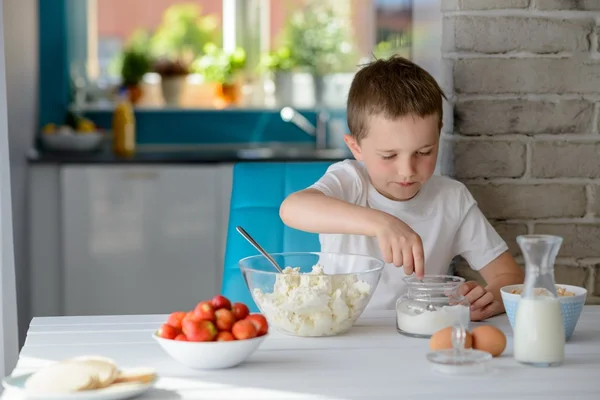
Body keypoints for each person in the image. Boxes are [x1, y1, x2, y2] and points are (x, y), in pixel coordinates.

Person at [279, 56, 524, 321]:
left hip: (418, 335)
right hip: (342, 331)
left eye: (424, 151)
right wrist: (383, 224)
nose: (407, 170)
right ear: (356, 148)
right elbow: (291, 209)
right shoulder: (350, 181)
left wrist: (490, 298)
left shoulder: (452, 199)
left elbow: (509, 278)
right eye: (388, 156)